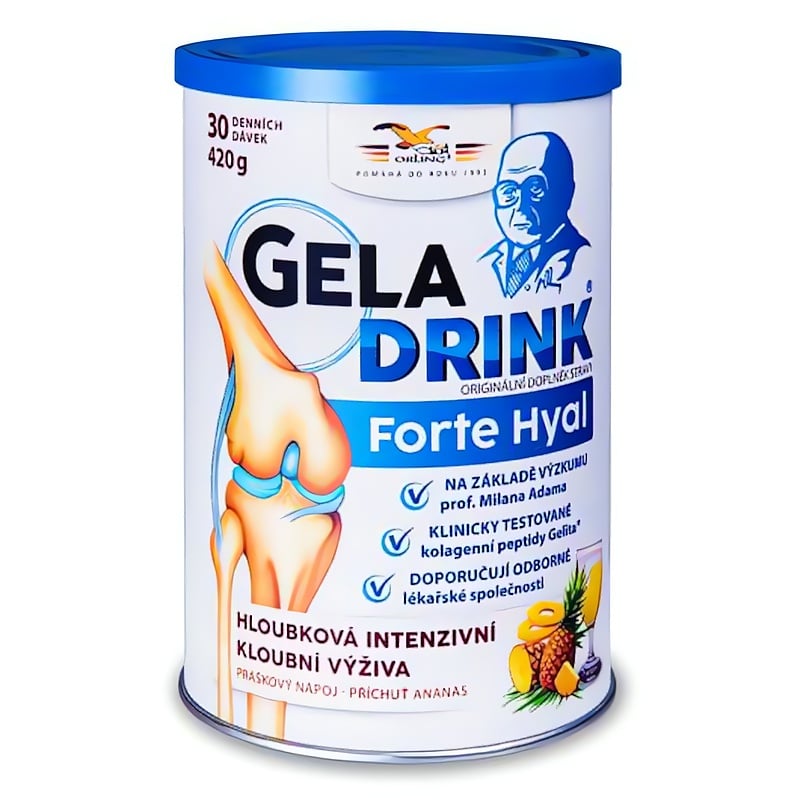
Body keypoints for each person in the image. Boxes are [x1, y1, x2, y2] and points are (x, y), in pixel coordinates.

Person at [481, 132, 589, 298]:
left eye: (535, 188)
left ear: (566, 191)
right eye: (508, 191)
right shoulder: (487, 259)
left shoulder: (583, 258)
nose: (520, 208)